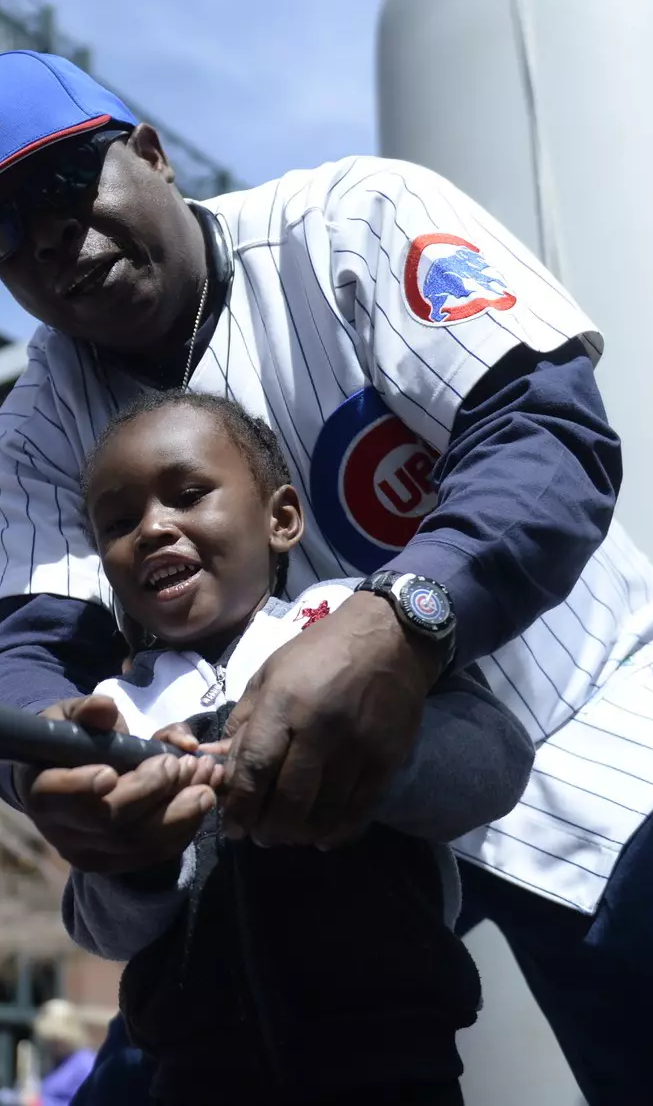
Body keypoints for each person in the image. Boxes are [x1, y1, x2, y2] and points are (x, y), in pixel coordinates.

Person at [0, 51, 653, 1104]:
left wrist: (399, 621)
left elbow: (548, 437)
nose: (48, 236)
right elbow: (28, 651)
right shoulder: (40, 425)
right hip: (304, 817)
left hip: (579, 726)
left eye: (65, 183)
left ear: (149, 153)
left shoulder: (350, 222)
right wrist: (48, 762)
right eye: (1, 230)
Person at [62, 392, 531, 1104]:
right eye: (120, 523)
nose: (153, 528)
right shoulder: (118, 711)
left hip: (395, 1057)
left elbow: (497, 760)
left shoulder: (355, 633)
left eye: (187, 495)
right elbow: (100, 927)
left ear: (281, 519)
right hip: (196, 1078)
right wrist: (138, 860)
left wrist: (376, 753)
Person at [28, 1001, 94, 1106]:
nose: (52, 1046)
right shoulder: (57, 1063)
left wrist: (39, 1103)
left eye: (56, 1041)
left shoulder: (86, 1064)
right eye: (49, 1041)